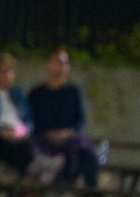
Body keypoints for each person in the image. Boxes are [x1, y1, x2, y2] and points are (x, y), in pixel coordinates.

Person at [28, 47, 101, 188]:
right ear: (48, 64)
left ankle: (88, 187)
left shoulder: (73, 92)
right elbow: (32, 119)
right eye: (57, 62)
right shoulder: (37, 93)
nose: (61, 67)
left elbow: (80, 120)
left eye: (64, 63)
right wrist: (49, 133)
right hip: (44, 138)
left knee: (85, 149)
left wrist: (67, 133)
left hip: (69, 137)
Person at [0, 55, 34, 177]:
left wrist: (21, 131)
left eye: (8, 72)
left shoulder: (18, 94)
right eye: (0, 72)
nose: (4, 76)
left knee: (27, 147)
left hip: (17, 132)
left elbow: (28, 119)